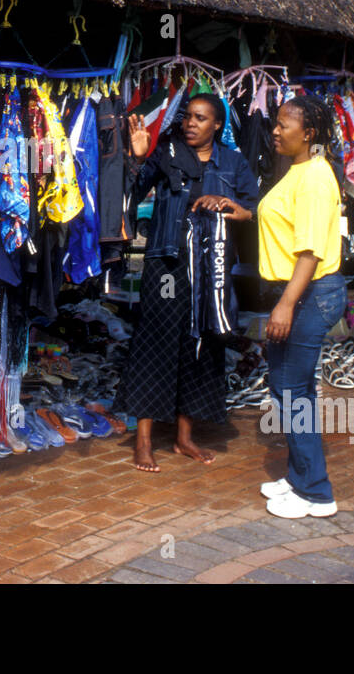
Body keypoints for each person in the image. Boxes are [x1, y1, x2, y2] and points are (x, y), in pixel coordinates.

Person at [121, 94, 260, 472]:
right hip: (167, 264)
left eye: (200, 118)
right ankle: (144, 441)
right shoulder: (166, 151)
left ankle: (184, 438)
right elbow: (133, 192)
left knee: (201, 344)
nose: (190, 124)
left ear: (217, 124)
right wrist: (136, 157)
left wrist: (227, 203)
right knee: (155, 342)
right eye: (187, 117)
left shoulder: (233, 162)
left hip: (210, 268)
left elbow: (253, 208)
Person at [256, 94, 348, 518]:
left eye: (284, 125)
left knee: (292, 392)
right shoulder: (298, 171)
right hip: (300, 294)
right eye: (275, 123)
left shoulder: (314, 176)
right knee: (293, 389)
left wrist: (286, 305)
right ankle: (299, 476)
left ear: (308, 134)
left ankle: (316, 492)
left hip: (310, 294)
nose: (275, 130)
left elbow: (309, 252)